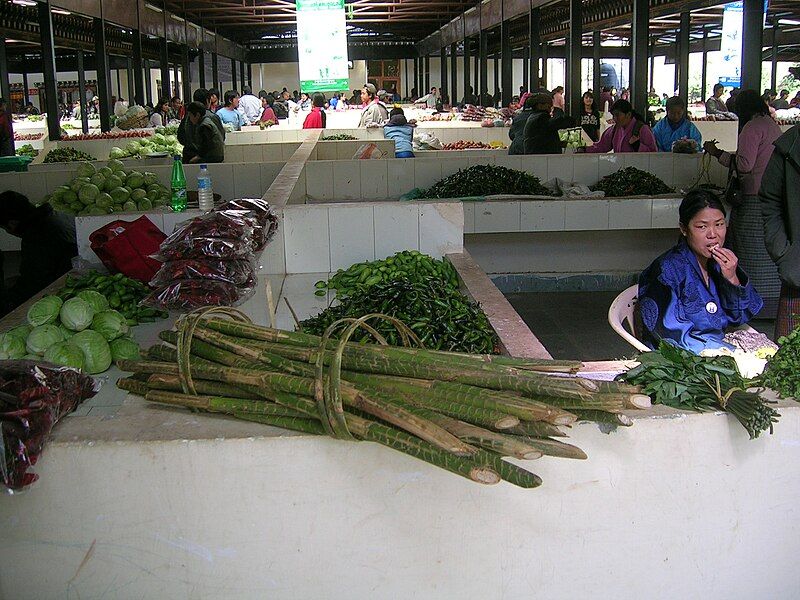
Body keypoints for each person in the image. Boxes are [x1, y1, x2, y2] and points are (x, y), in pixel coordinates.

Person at [638, 189, 763, 353]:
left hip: (719, 348)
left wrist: (732, 279)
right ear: (684, 229)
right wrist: (725, 352)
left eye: (719, 224)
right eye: (702, 227)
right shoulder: (666, 271)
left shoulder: (720, 265)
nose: (713, 235)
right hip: (682, 358)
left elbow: (739, 317)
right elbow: (671, 338)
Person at [703, 89, 783, 317]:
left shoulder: (752, 127)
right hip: (770, 196)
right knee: (764, 251)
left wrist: (716, 152)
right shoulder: (771, 125)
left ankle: (747, 302)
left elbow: (745, 164)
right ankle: (766, 304)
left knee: (746, 249)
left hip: (752, 199)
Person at [0, 191, 77, 315]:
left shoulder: (36, 236)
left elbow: (34, 284)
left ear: (12, 224)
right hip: (69, 275)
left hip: (62, 289)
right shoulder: (56, 216)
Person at [760, 123, 800, 338]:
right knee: (789, 361)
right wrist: (784, 253)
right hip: (798, 274)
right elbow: (770, 198)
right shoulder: (790, 146)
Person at [509, 93, 574, 155]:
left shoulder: (533, 116)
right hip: (539, 157)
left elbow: (542, 136)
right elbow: (556, 123)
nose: (550, 107)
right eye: (548, 105)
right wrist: (563, 115)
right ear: (540, 105)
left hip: (529, 153)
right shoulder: (540, 117)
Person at [583, 99, 657, 153]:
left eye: (617, 115)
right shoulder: (613, 130)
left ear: (628, 114)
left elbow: (653, 155)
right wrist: (584, 150)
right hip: (620, 170)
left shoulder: (642, 129)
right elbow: (601, 146)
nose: (614, 118)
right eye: (613, 115)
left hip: (638, 172)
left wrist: (638, 146)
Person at [178, 88, 226, 163]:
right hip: (208, 158)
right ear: (208, 100)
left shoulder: (188, 116)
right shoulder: (211, 117)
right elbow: (221, 136)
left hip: (189, 155)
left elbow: (181, 137)